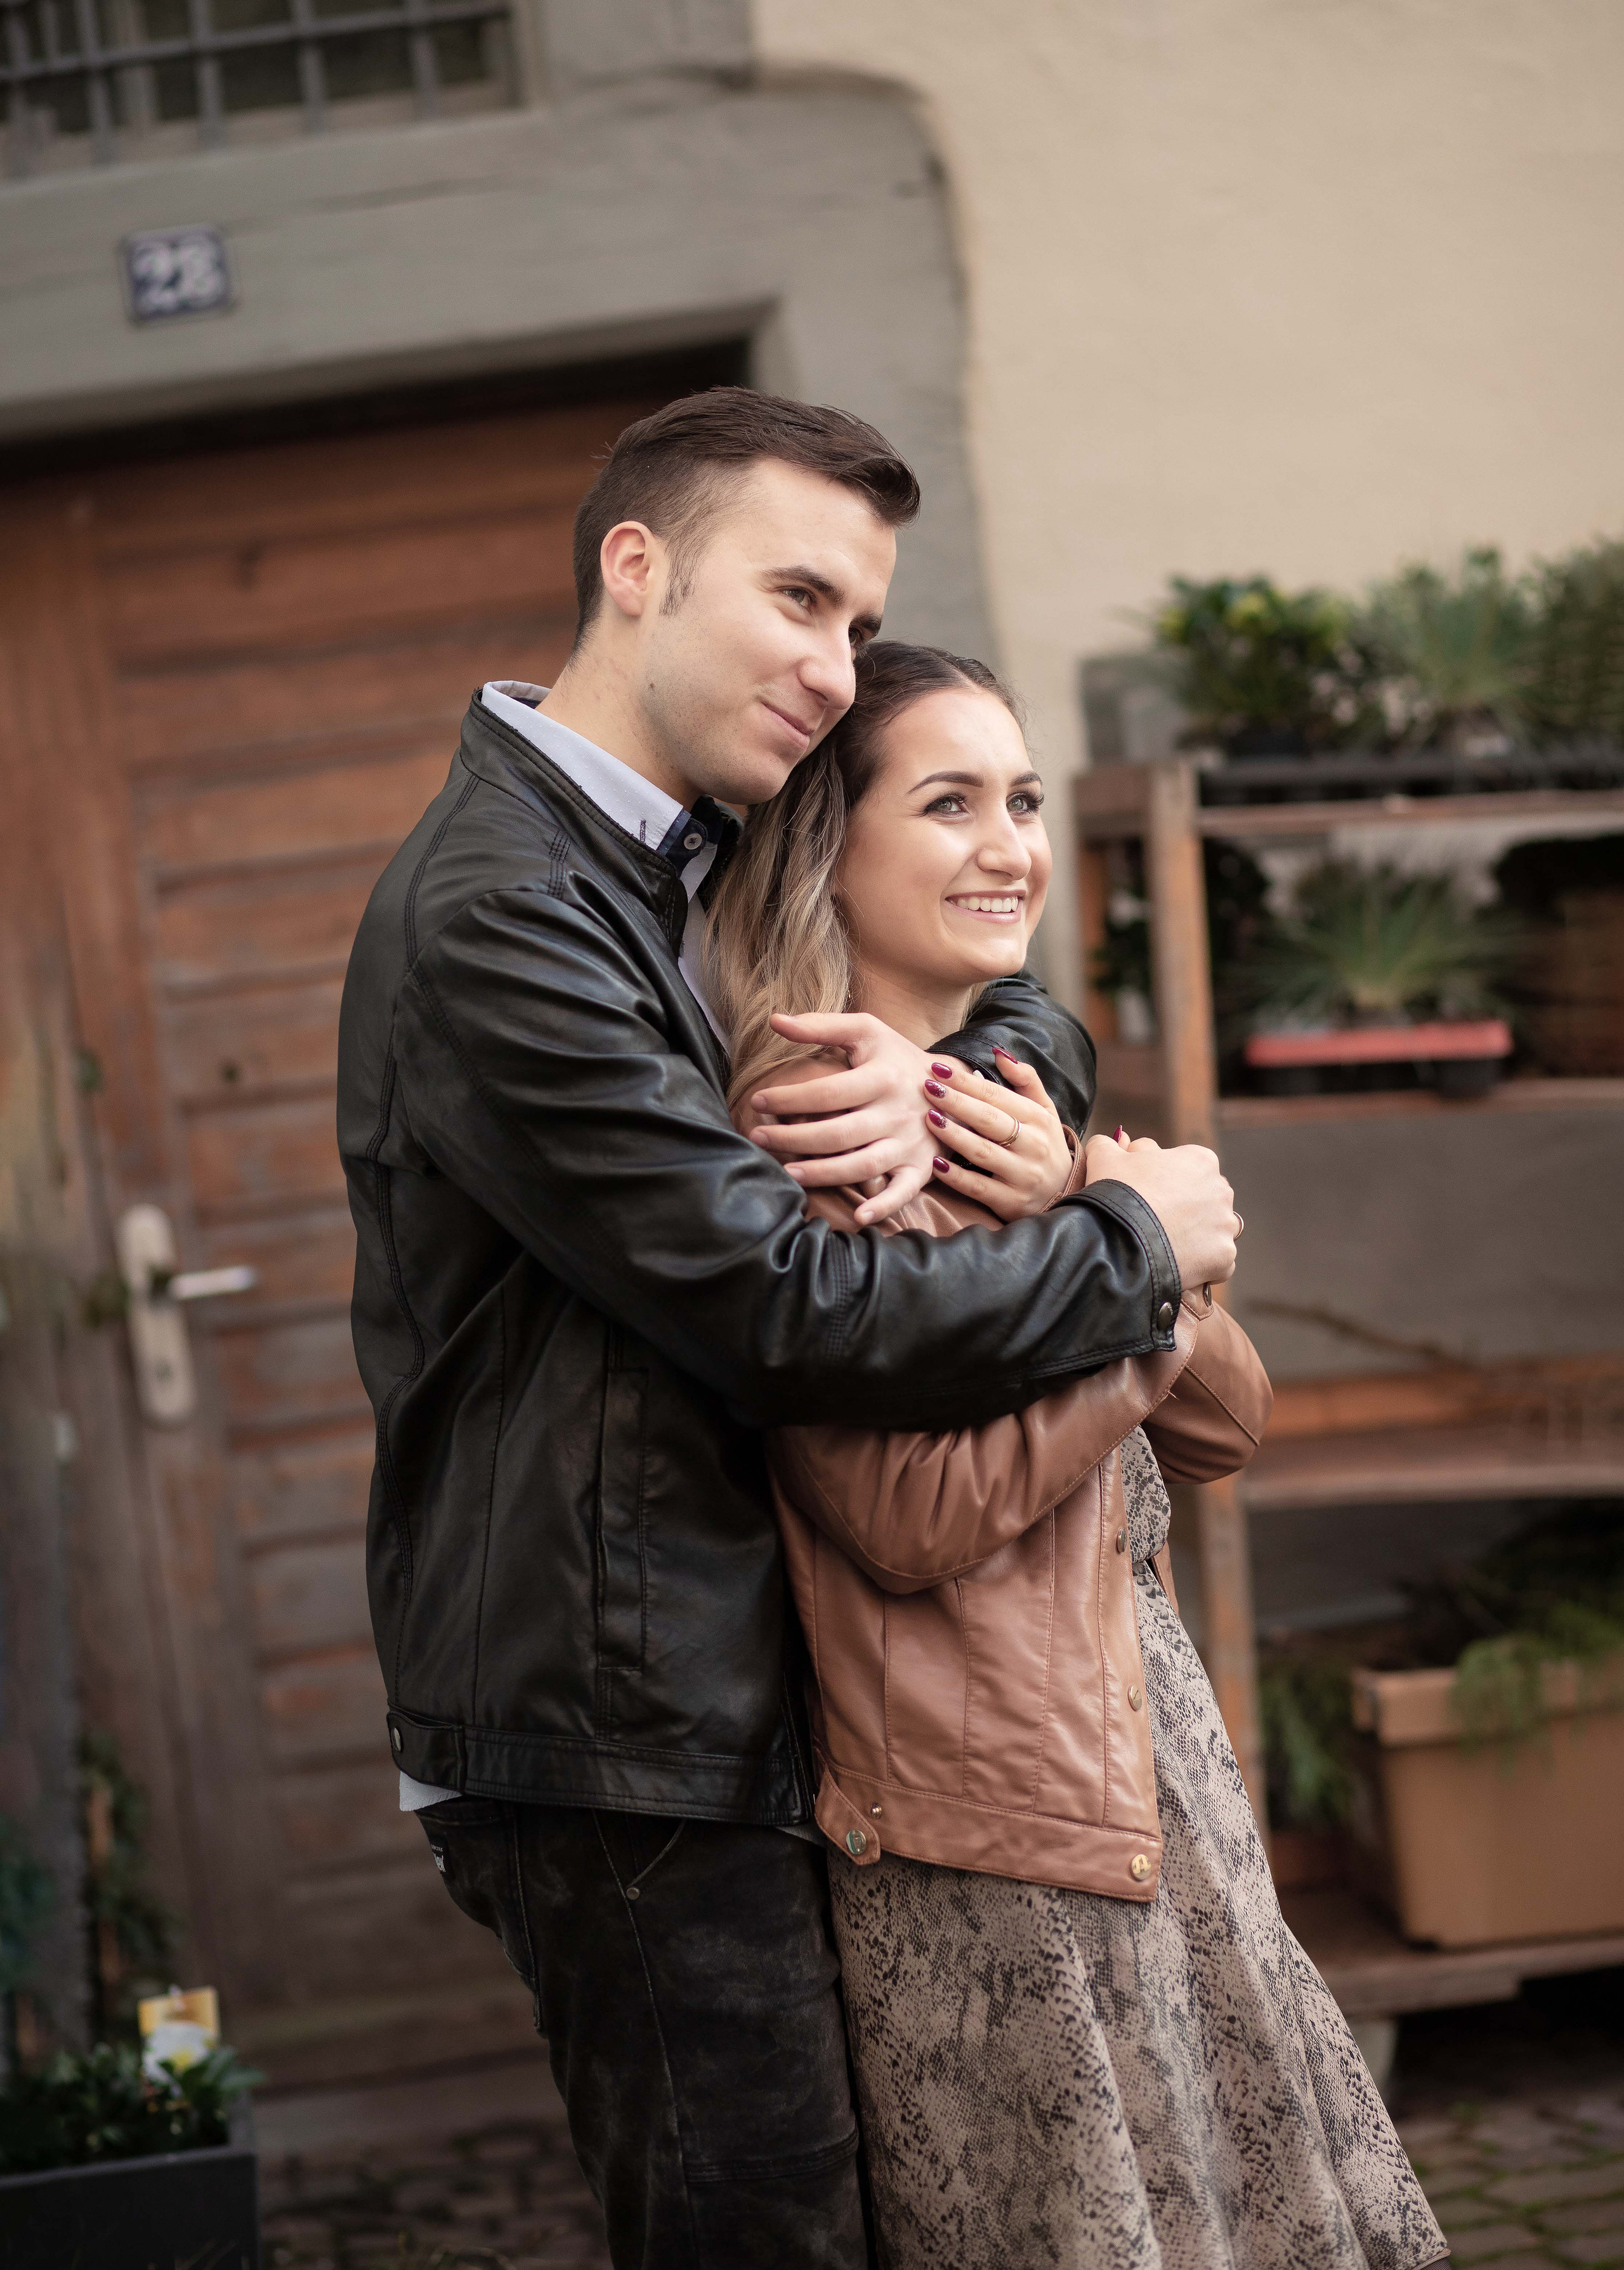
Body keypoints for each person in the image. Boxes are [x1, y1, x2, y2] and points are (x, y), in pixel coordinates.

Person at [337, 389, 1241, 2269]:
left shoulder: (666, 846)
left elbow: (945, 951)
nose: (835, 667)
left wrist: (992, 1082)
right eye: (801, 599)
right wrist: (1136, 1245)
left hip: (732, 1691)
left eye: (857, 621)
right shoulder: (504, 910)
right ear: (638, 566)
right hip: (617, 1726)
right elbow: (787, 1310)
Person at [710, 638, 1448, 2270]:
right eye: (950, 801)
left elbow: (1227, 1427)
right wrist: (1134, 1253)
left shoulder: (997, 1099)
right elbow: (902, 1520)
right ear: (827, 843)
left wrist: (1092, 1226)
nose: (1010, 847)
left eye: (1024, 800)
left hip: (1141, 1758)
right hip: (989, 1837)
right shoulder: (817, 1143)